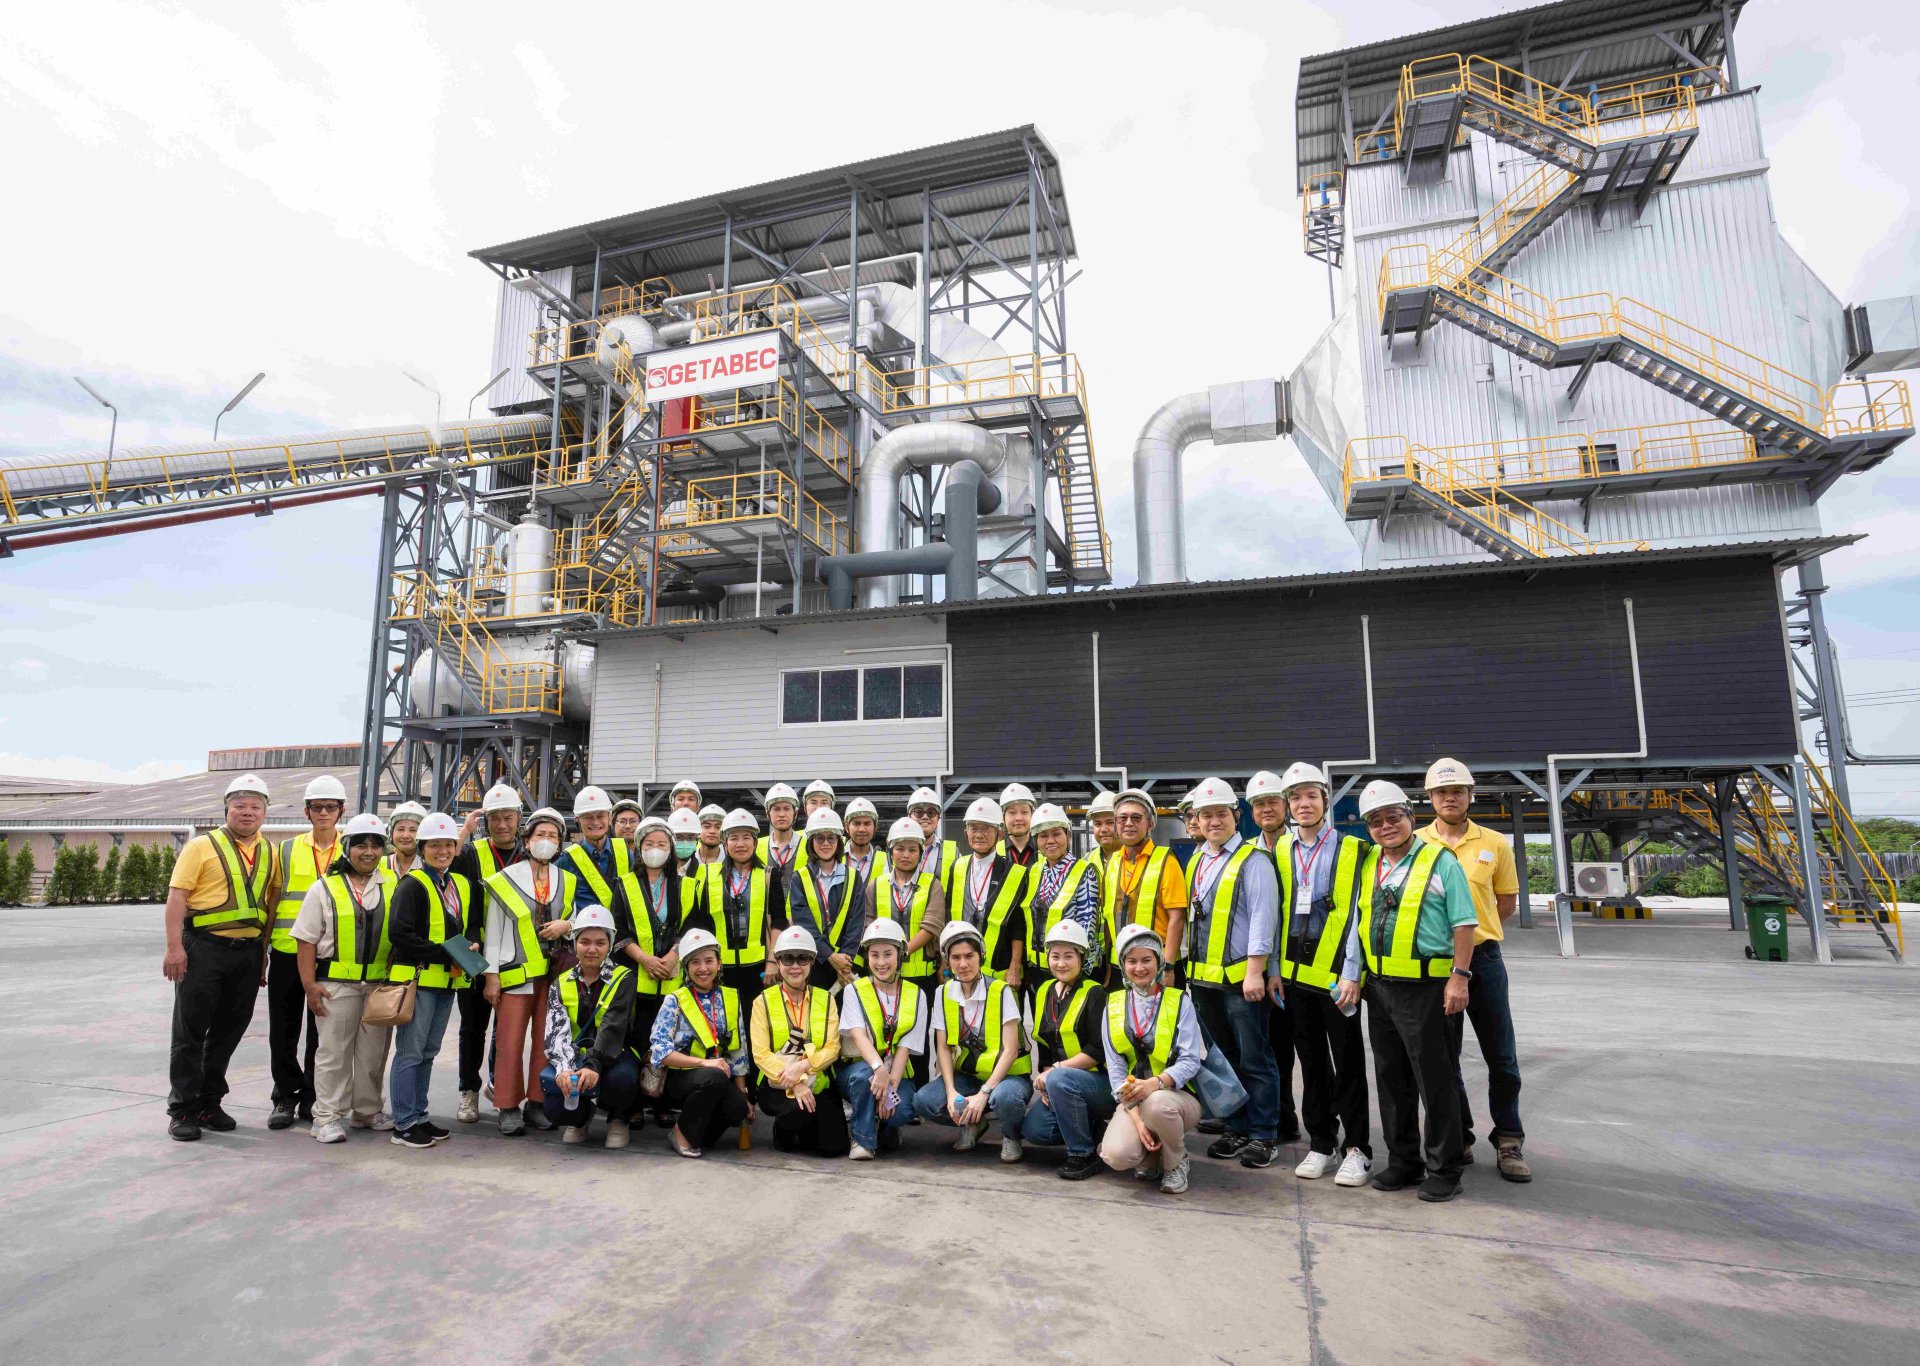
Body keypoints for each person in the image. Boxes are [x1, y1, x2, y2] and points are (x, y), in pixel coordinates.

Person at [1354, 779, 1478, 1203]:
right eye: (1376, 821)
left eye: (1393, 817)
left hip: (1428, 988)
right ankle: (1404, 1161)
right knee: (1392, 1080)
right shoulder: (1370, 864)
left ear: (1410, 816)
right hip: (1380, 988)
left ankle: (1445, 1168)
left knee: (1435, 1081)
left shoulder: (1440, 861)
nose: (1385, 826)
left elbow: (1464, 923)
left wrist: (1459, 977)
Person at [1420, 757, 1530, 1183]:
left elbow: (1505, 904)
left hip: (1483, 962)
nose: (1449, 798)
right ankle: (1459, 1136)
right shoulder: (1416, 843)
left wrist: (1473, 939)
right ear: (1430, 798)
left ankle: (1509, 1140)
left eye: (1457, 791)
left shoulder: (1495, 844)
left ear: (1471, 795)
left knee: (1501, 1057)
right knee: (1445, 1060)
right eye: (1441, 792)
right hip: (1435, 965)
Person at [1260, 764, 1371, 1188]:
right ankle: (1322, 1142)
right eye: (1295, 797)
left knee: (1348, 1061)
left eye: (1311, 795)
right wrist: (1273, 969)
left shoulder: (1354, 849)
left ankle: (1357, 1148)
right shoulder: (1280, 852)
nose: (1303, 804)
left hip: (1337, 978)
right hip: (1293, 978)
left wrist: (1352, 973)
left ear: (1326, 800)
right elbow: (1275, 914)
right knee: (1310, 1063)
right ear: (1288, 804)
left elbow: (1358, 913)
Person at [162, 772, 279, 1141]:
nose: (247, 812)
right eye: (239, 806)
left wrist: (263, 954)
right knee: (190, 1031)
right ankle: (183, 1109)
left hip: (247, 954)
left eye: (255, 807)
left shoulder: (270, 852)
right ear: (226, 809)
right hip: (203, 949)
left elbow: (269, 905)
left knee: (229, 1031)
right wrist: (174, 947)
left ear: (265, 813)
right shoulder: (201, 847)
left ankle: (209, 1103)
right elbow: (177, 897)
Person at [1182, 777, 1286, 1169]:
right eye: (1205, 815)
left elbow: (1263, 917)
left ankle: (1264, 1134)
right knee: (1223, 1059)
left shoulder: (1253, 860)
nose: (1213, 821)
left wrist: (1256, 971)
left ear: (1235, 816)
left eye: (1220, 814)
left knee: (1255, 1057)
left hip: (1241, 980)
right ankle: (1236, 1127)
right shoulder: (1197, 860)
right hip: (1204, 981)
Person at [293, 812, 394, 1142]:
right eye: (361, 845)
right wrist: (309, 986)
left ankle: (367, 1111)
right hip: (334, 987)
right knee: (333, 1054)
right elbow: (306, 940)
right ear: (347, 847)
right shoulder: (324, 888)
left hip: (378, 987)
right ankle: (326, 1117)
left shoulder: (392, 884)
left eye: (376, 846)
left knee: (373, 1055)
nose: (369, 852)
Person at [480, 805, 575, 1136]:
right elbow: (494, 929)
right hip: (515, 974)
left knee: (545, 1042)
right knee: (509, 1042)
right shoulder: (506, 880)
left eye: (553, 836)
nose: (546, 840)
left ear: (560, 843)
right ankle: (507, 1106)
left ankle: (537, 1102)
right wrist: (491, 976)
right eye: (540, 834)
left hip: (552, 975)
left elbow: (575, 918)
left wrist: (567, 925)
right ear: (527, 839)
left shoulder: (566, 879)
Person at [386, 811, 474, 1150]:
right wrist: (447, 953)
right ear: (422, 849)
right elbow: (400, 933)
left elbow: (460, 928)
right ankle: (404, 1123)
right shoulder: (412, 884)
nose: (442, 851)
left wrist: (467, 948)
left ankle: (419, 1115)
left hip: (445, 983)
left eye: (448, 844)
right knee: (410, 1052)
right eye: (434, 845)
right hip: (418, 981)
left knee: (428, 1052)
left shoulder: (457, 884)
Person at [1099, 924, 1208, 1194]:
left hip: (1175, 1098)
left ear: (1159, 961)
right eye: (1132, 961)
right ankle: (1152, 1153)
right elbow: (1116, 1070)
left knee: (1157, 1104)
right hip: (1134, 1099)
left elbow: (1190, 1060)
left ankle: (1176, 1161)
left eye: (1147, 959)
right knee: (1116, 1155)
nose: (1140, 968)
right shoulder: (1112, 1005)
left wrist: (1155, 1084)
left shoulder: (1179, 1001)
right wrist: (1136, 1120)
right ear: (1123, 966)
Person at [913, 921, 1031, 1163]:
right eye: (955, 957)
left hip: (1008, 1077)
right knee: (924, 1101)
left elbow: (1010, 1050)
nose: (963, 964)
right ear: (947, 960)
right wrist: (950, 1092)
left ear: (981, 956)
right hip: (969, 1076)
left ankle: (1011, 1135)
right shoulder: (943, 993)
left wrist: (984, 1093)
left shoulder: (1001, 991)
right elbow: (943, 1047)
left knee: (1005, 1098)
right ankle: (974, 1123)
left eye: (969, 956)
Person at [266, 774, 346, 1128]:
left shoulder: (353, 847)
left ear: (341, 811)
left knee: (321, 1032)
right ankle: (284, 1095)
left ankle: (312, 1097)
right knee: (283, 1030)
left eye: (330, 807)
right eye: (317, 807)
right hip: (287, 950)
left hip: (330, 954)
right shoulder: (286, 849)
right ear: (306, 811)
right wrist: (263, 949)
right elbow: (273, 901)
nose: (323, 813)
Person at [451, 782, 525, 1124]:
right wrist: (464, 832)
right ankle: (468, 1090)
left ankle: (498, 1085)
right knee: (473, 1027)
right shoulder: (472, 853)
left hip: (514, 954)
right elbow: (444, 867)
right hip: (475, 953)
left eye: (508, 817)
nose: (502, 824)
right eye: (495, 818)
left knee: (506, 1028)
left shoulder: (529, 853)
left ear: (518, 818)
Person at [541, 906, 641, 1147]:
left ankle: (618, 1119)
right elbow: (556, 1032)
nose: (592, 949)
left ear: (610, 945)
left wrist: (593, 1065)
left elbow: (613, 1027)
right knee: (555, 1107)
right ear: (575, 943)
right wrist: (565, 1070)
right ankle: (580, 1119)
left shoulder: (624, 978)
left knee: (623, 1079)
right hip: (575, 1055)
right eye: (584, 942)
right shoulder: (560, 982)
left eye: (600, 943)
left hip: (615, 1055)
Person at [1021, 921, 1113, 1180]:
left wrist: (1056, 1073)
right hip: (1062, 1083)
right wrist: (1047, 1081)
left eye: (1069, 956)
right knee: (1035, 1131)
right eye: (1055, 956)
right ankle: (1090, 1127)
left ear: (1082, 958)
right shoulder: (1044, 990)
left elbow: (1098, 1050)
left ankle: (1083, 1154)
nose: (1061, 963)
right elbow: (1044, 1043)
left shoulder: (1095, 993)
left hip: (1099, 1083)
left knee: (1060, 1079)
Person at [650, 928, 752, 1158]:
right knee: (713, 1077)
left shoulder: (730, 997)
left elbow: (738, 1051)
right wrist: (704, 1063)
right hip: (678, 1078)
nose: (703, 968)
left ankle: (694, 1134)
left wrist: (743, 1095)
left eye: (708, 961)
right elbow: (660, 1053)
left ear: (719, 963)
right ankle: (681, 1135)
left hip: (715, 1076)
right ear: (686, 967)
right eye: (695, 962)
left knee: (737, 1107)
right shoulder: (674, 1000)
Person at [749, 924, 849, 1156]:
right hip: (777, 1084)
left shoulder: (826, 999)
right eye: (788, 958)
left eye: (802, 958)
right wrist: (796, 1083)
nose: (795, 966)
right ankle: (783, 1131)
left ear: (812, 962)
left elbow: (833, 1047)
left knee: (833, 1148)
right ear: (778, 962)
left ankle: (806, 1129)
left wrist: (804, 1066)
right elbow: (761, 1054)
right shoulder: (762, 1002)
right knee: (796, 1111)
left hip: (819, 1081)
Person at [1245, 769, 1306, 1147]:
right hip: (1263, 968)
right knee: (1269, 1048)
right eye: (1259, 804)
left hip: (1299, 966)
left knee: (1297, 1050)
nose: (1266, 809)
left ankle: (1300, 1122)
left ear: (1285, 806)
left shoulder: (1301, 848)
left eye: (1272, 802)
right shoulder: (1249, 853)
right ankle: (1278, 1117)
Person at [838, 919, 927, 1160]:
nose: (881, 962)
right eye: (874, 955)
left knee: (903, 1108)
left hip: (896, 1072)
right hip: (860, 1069)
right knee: (863, 1077)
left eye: (888, 954)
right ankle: (862, 1139)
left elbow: (905, 1046)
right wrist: (878, 1069)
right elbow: (858, 1035)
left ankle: (887, 1128)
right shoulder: (854, 990)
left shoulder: (917, 994)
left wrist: (891, 1086)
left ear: (900, 955)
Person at [620, 816, 690, 1117]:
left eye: (662, 844)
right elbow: (619, 932)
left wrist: (673, 955)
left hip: (672, 978)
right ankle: (635, 1104)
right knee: (637, 1039)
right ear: (639, 848)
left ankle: (662, 1102)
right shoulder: (624, 884)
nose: (656, 849)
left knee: (669, 1039)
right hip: (637, 976)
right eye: (649, 843)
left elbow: (693, 925)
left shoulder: (686, 885)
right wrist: (645, 959)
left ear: (671, 849)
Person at [689, 808, 783, 1006]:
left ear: (755, 842)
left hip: (759, 969)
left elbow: (779, 921)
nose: (740, 844)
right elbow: (701, 923)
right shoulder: (708, 875)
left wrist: (772, 961)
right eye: (734, 838)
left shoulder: (769, 875)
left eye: (746, 837)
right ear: (725, 843)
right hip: (720, 970)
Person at [1100, 789, 1189, 992]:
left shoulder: (1166, 860)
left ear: (1150, 823)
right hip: (1121, 965)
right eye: (1122, 818)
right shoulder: (1113, 863)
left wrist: (1168, 968)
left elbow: (1177, 918)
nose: (1128, 823)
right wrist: (1108, 966)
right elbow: (1108, 918)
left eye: (1136, 818)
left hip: (1157, 966)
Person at [941, 796, 1028, 988]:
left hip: (1000, 970)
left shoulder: (1014, 873)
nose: (979, 834)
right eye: (974, 828)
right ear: (966, 832)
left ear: (1000, 833)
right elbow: (948, 915)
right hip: (963, 969)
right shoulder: (957, 867)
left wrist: (1014, 967)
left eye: (986, 828)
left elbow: (1019, 925)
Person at [866, 817, 948, 1002]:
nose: (906, 855)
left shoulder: (933, 884)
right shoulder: (875, 885)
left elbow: (931, 927)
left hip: (923, 978)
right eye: (900, 849)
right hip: (884, 975)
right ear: (890, 852)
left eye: (912, 850)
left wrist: (900, 953)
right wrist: (888, 958)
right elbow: (868, 925)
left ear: (920, 853)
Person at [1022, 802, 1102, 989]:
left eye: (1056, 834)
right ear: (1036, 840)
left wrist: (1079, 973)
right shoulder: (1035, 871)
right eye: (1043, 836)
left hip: (1071, 971)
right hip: (1037, 968)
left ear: (1068, 835)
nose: (1050, 841)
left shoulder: (1084, 871)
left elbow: (1088, 925)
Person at [786, 808, 864, 991]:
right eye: (819, 838)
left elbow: (856, 922)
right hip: (814, 963)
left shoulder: (854, 877)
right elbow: (804, 922)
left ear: (839, 841)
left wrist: (844, 963)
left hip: (846, 964)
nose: (826, 843)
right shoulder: (799, 878)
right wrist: (830, 956)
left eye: (831, 838)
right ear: (811, 842)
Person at [906, 786, 959, 883]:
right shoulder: (894, 852)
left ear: (938, 817)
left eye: (931, 812)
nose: (925, 817)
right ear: (909, 816)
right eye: (918, 812)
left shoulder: (953, 852)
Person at [758, 783, 804, 876]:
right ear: (768, 813)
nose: (782, 814)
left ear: (795, 813)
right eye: (776, 809)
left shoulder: (809, 846)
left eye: (786, 809)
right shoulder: (756, 847)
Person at [380, 800, 428, 884]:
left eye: (413, 830)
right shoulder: (377, 864)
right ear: (391, 833)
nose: (405, 835)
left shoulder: (429, 869)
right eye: (400, 829)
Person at [998, 783, 1039, 869]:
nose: (1018, 818)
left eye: (1024, 812)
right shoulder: (994, 852)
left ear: (1032, 815)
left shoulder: (1044, 850)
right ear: (1003, 817)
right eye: (1012, 812)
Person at [843, 797, 881, 880]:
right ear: (847, 827)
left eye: (867, 824)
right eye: (856, 824)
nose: (862, 829)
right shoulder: (834, 858)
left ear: (875, 827)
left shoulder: (887, 862)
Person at [1087, 789, 1120, 861]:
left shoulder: (1137, 858)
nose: (1103, 830)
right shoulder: (1087, 861)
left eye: (1110, 822)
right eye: (1098, 824)